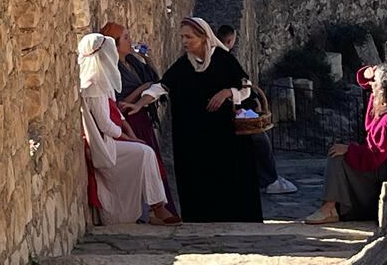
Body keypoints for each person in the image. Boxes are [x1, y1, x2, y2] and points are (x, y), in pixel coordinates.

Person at [125, 17, 262, 223]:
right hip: (192, 137)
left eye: (189, 37)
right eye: (182, 37)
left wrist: (226, 92)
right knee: (198, 181)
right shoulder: (184, 65)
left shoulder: (224, 60)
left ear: (203, 37)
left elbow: (245, 89)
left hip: (224, 136)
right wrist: (139, 104)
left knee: (229, 180)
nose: (184, 41)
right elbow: (161, 87)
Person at [78, 33, 181, 226]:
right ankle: (157, 207)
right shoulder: (93, 86)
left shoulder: (103, 80)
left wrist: (129, 132)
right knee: (144, 152)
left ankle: (153, 208)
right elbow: (105, 124)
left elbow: (115, 109)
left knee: (146, 153)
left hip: (113, 138)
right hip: (103, 144)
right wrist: (127, 137)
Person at [305, 64, 387, 224]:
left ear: (383, 89)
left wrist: (349, 150)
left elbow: (374, 156)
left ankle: (330, 208)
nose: (370, 85)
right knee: (342, 156)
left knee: (337, 158)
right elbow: (366, 83)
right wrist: (369, 72)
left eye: (374, 82)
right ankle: (332, 206)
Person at [99, 21, 177, 215]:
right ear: (114, 44)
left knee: (153, 162)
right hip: (130, 118)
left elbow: (155, 80)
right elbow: (119, 102)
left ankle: (161, 208)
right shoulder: (112, 69)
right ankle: (150, 210)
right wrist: (142, 90)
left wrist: (147, 59)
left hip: (142, 117)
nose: (130, 40)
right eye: (125, 38)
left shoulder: (132, 62)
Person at [217, 25, 298, 196]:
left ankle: (268, 177)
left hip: (232, 109)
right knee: (260, 139)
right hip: (230, 114)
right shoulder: (223, 59)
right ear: (231, 40)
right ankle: (270, 180)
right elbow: (242, 87)